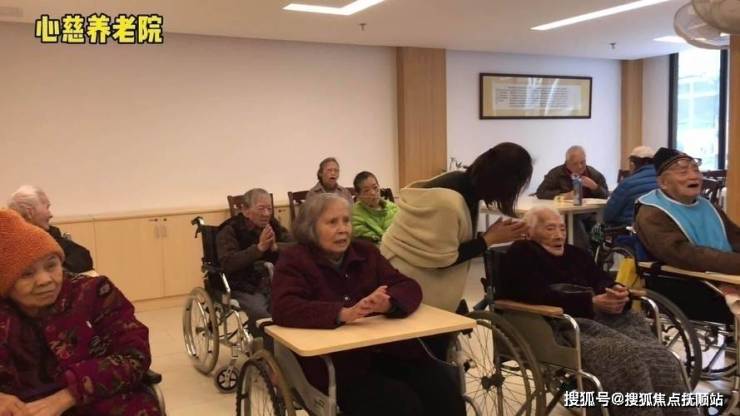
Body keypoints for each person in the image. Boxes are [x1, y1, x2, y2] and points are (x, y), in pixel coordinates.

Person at [272, 194, 465, 416]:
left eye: (346, 221)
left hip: (389, 352)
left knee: (443, 389)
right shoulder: (295, 260)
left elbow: (408, 286)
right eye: (332, 222)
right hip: (340, 366)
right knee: (400, 403)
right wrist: (341, 313)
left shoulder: (366, 252)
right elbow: (283, 306)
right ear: (310, 228)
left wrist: (389, 303)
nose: (343, 229)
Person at [498, 207, 695, 416]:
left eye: (562, 229)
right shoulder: (522, 253)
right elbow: (530, 294)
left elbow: (599, 279)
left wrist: (615, 290)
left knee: (662, 356)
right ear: (529, 232)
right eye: (550, 229)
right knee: (626, 357)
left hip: (604, 318)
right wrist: (589, 302)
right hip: (561, 325)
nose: (559, 235)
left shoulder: (575, 253)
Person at [0, 209, 160, 415]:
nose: (45, 280)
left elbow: (135, 356)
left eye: (51, 266)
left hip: (104, 401)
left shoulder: (94, 293)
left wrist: (69, 395)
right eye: (27, 274)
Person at [380, 142, 532, 312]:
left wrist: (492, 236)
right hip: (406, 278)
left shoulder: (465, 185)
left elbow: (451, 240)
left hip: (406, 271)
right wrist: (489, 239)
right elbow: (442, 258)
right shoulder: (448, 200)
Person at [634, 147, 740, 318]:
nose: (694, 176)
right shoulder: (652, 213)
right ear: (663, 183)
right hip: (691, 287)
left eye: (696, 170)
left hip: (724, 276)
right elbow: (685, 255)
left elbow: (735, 238)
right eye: (683, 172)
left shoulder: (707, 206)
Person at [216, 188, 293, 334]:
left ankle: (284, 345)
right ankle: (263, 346)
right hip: (242, 283)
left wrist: (276, 247)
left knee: (290, 306)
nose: (266, 214)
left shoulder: (273, 225)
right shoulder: (230, 229)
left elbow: (296, 246)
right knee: (261, 314)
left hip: (273, 279)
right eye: (261, 208)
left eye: (269, 209)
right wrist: (259, 248)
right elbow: (228, 263)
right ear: (245, 210)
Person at [535, 146, 609, 250]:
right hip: (567, 214)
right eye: (575, 164)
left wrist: (594, 187)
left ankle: (597, 253)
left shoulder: (592, 173)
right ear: (567, 163)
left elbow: (605, 194)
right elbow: (541, 192)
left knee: (599, 224)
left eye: (583, 162)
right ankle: (583, 253)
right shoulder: (557, 173)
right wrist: (563, 195)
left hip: (590, 212)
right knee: (574, 221)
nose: (580, 166)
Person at [7, 185, 93, 273]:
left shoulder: (50, 233)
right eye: (47, 207)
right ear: (30, 212)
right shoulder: (11, 244)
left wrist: (59, 271)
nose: (51, 215)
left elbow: (83, 256)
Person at [602, 146, 657, 227]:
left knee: (596, 229)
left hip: (630, 229)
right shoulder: (665, 181)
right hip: (657, 228)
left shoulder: (627, 183)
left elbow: (608, 215)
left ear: (632, 164)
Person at [351, 171, 398, 243]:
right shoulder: (354, 215)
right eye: (366, 190)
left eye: (375, 187)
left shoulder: (393, 208)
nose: (373, 193)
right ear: (358, 195)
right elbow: (370, 244)